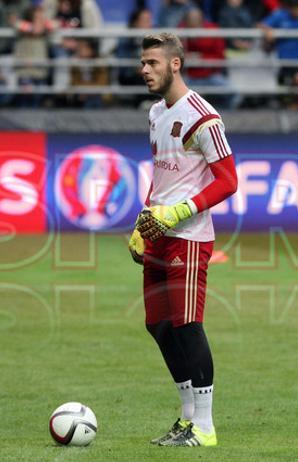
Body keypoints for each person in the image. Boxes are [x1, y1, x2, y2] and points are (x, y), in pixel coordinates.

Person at [128, 32, 238, 447]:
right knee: (158, 325)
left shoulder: (203, 116)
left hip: (189, 237)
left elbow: (229, 181)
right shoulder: (156, 113)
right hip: (158, 234)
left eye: (152, 62)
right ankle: (187, 418)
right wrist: (144, 224)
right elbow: (161, 177)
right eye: (143, 62)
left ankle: (205, 428)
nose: (144, 70)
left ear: (175, 64)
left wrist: (181, 211)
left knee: (187, 325)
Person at [260, 0, 298, 109]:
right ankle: (286, 105)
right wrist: (267, 31)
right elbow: (263, 24)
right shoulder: (280, 15)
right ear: (289, 8)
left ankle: (294, 105)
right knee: (284, 89)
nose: (297, 10)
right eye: (294, 7)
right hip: (283, 60)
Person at [181, 7, 239, 109]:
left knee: (234, 94)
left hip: (211, 75)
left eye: (196, 23)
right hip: (190, 76)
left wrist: (201, 58)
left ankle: (218, 114)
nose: (193, 27)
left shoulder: (212, 30)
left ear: (202, 21)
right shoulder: (181, 32)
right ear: (186, 22)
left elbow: (221, 57)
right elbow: (175, 56)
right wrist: (185, 57)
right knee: (174, 95)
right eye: (191, 23)